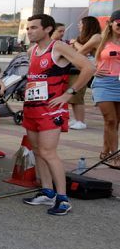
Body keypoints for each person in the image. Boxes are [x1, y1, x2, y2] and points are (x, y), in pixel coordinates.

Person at [21, 14, 93, 215]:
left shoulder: (58, 47)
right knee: (37, 150)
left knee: (48, 152)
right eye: (28, 28)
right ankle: (47, 191)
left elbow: (88, 67)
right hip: (33, 107)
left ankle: (63, 198)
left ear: (47, 29)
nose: (29, 32)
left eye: (34, 28)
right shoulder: (32, 51)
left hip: (51, 109)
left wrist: (69, 94)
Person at [91, 11, 120, 169]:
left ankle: (105, 152)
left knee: (115, 123)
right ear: (111, 23)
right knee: (110, 120)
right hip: (103, 83)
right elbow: (77, 54)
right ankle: (115, 156)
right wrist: (92, 69)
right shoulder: (99, 39)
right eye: (119, 23)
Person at [68, 16, 102, 130]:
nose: (79, 26)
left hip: (91, 71)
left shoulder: (96, 37)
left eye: (80, 24)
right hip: (80, 69)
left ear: (87, 25)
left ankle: (80, 121)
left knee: (77, 95)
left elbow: (81, 51)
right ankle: (77, 119)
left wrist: (75, 43)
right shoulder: (83, 38)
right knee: (73, 96)